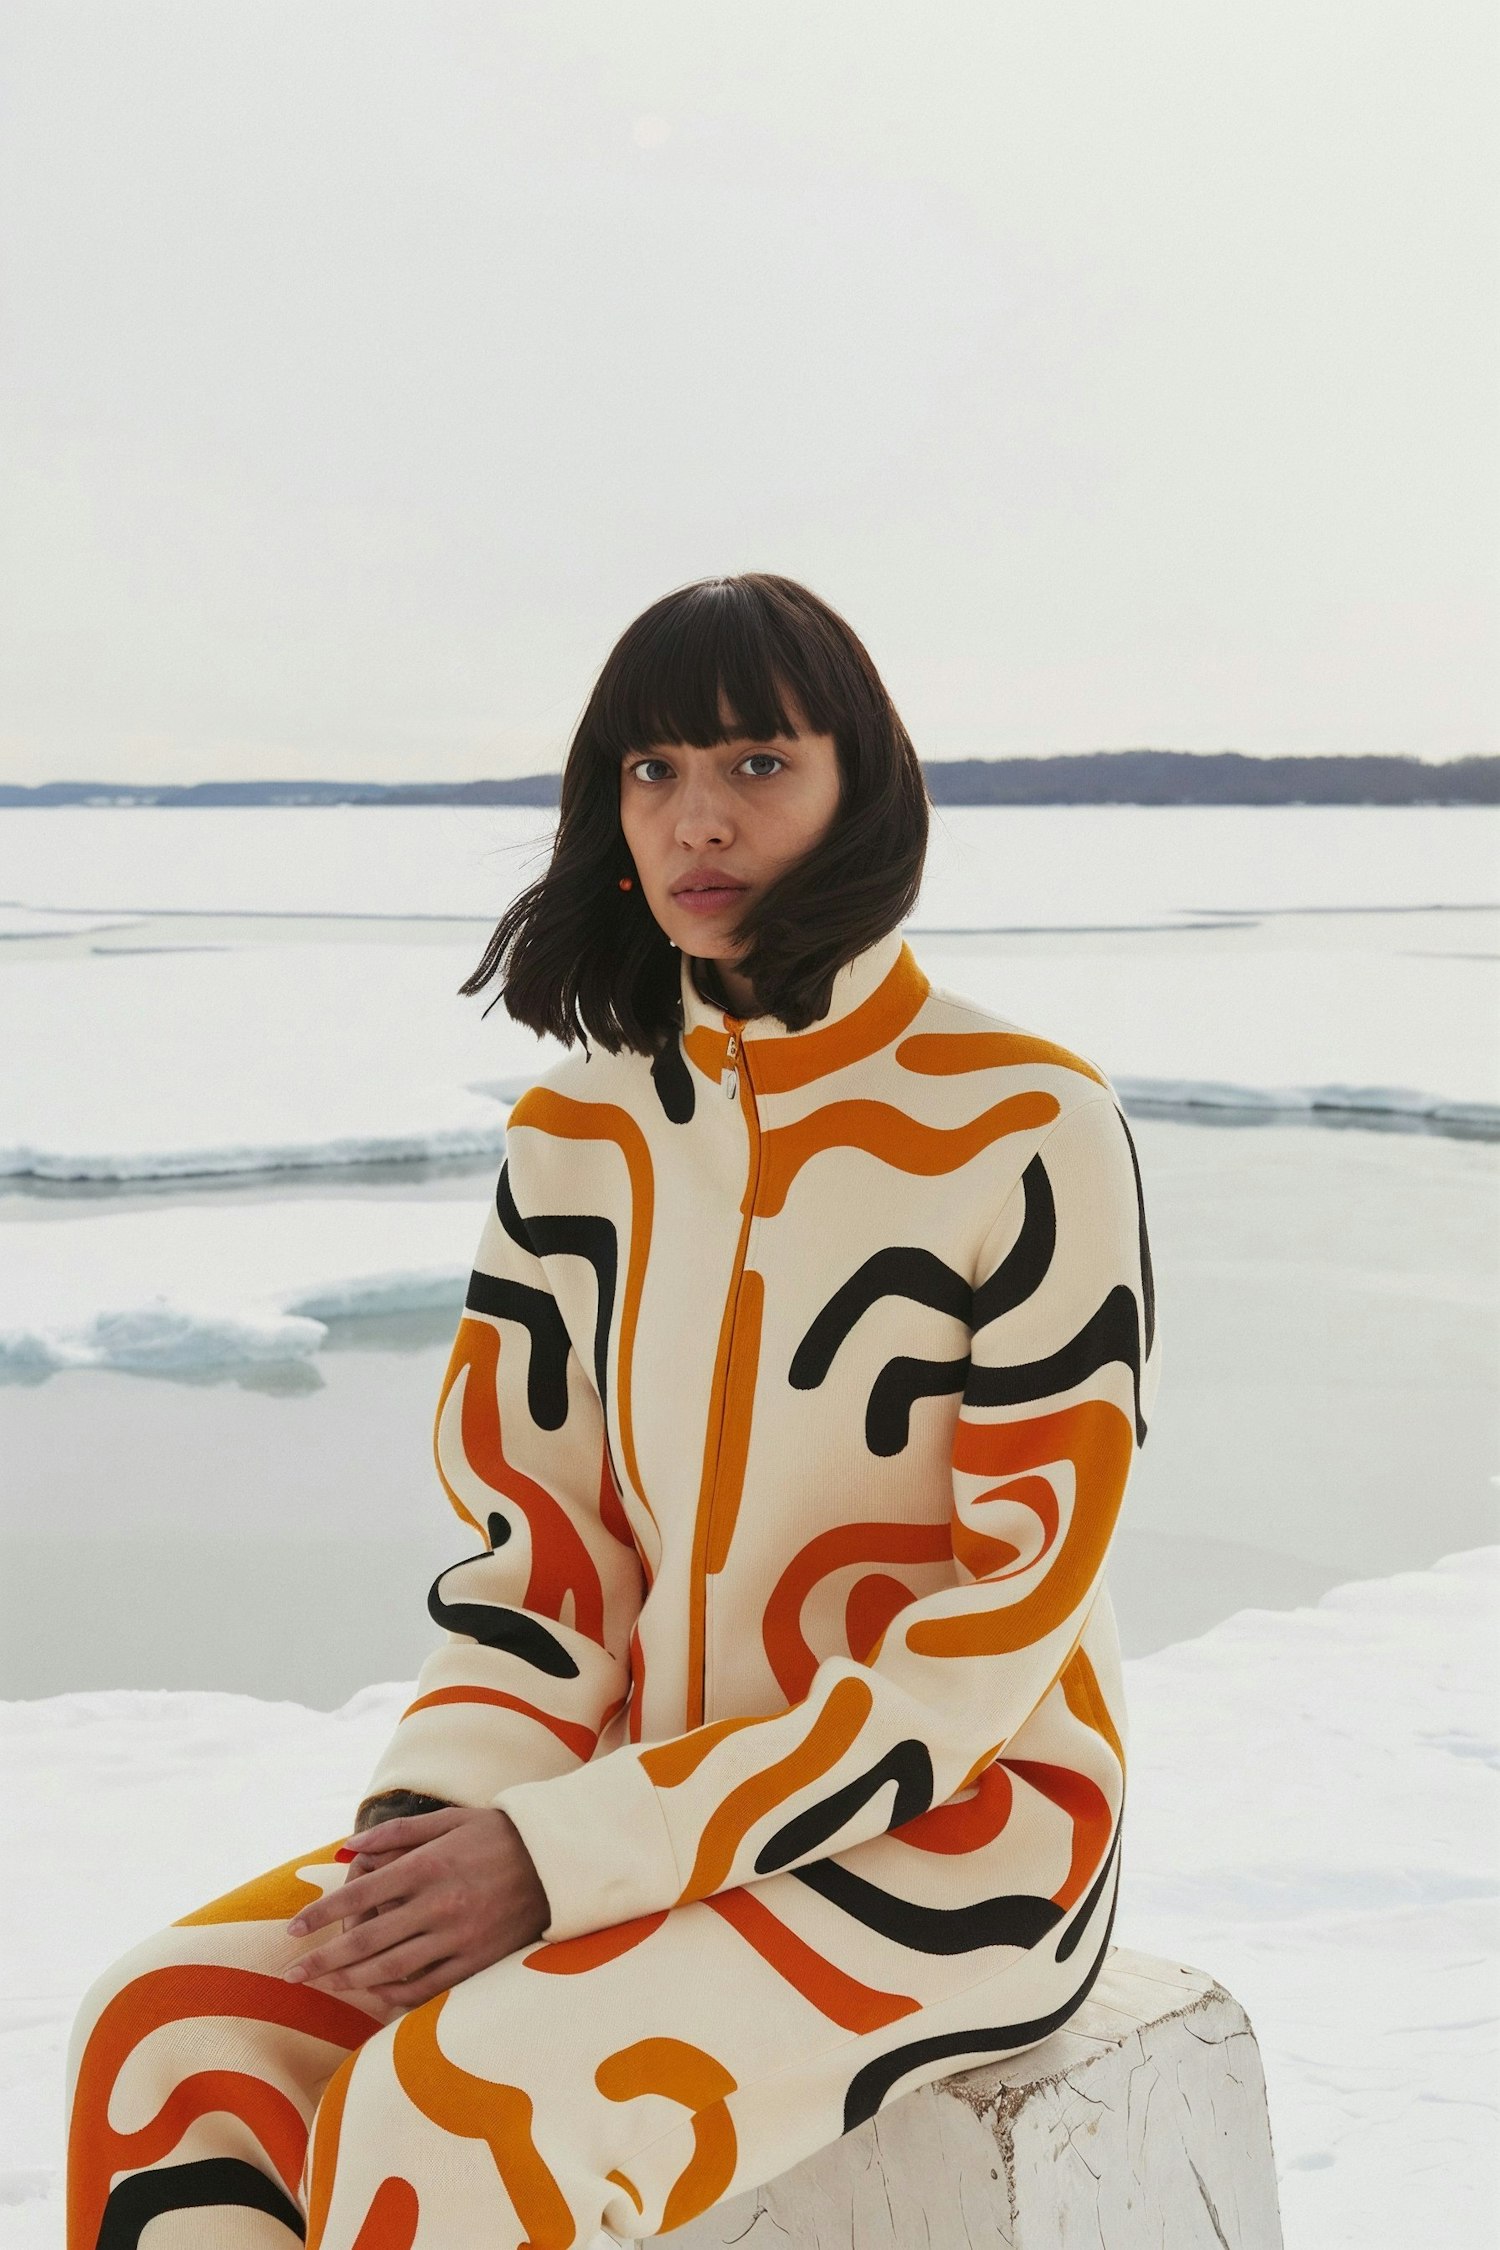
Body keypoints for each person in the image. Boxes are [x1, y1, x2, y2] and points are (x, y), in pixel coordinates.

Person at [65, 572, 1161, 2249]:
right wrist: (438, 1829)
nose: (696, 818)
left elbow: (991, 1635)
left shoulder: (1027, 1121)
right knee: (171, 2033)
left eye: (755, 762)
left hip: (958, 1830)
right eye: (651, 771)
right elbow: (541, 1559)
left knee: (455, 2110)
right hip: (606, 1790)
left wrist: (571, 1854)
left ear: (862, 785)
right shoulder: (578, 1135)